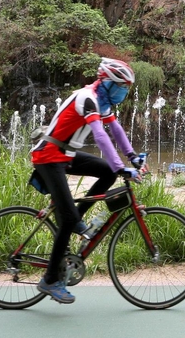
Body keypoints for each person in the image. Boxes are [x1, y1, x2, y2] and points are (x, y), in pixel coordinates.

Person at [30, 57, 145, 304]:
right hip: (48, 156)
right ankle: (49, 280)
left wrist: (133, 157)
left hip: (66, 155)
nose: (124, 92)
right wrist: (122, 167)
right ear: (106, 82)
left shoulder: (103, 103)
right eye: (121, 86)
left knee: (108, 172)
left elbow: (116, 131)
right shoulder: (87, 98)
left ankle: (73, 217)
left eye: (127, 88)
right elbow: (101, 136)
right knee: (71, 216)